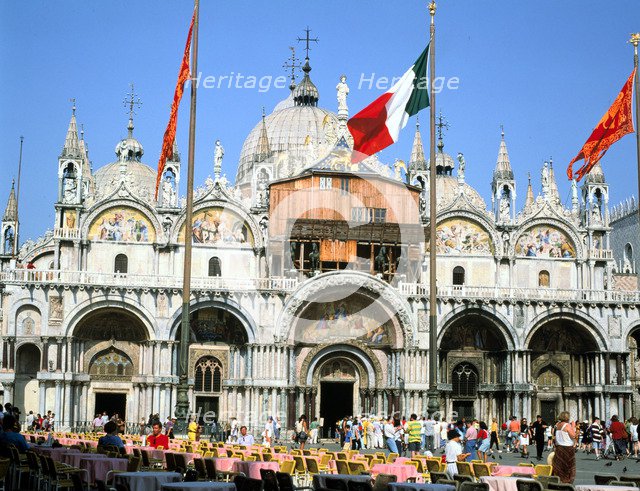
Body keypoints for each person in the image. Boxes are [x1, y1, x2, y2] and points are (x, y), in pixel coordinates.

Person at [551, 411, 576, 483]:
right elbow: (573, 435)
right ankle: (566, 481)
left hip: (559, 447)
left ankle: (560, 479)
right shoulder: (567, 425)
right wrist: (573, 426)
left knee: (560, 465)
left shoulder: (557, 425)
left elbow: (553, 434)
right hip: (567, 448)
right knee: (568, 467)